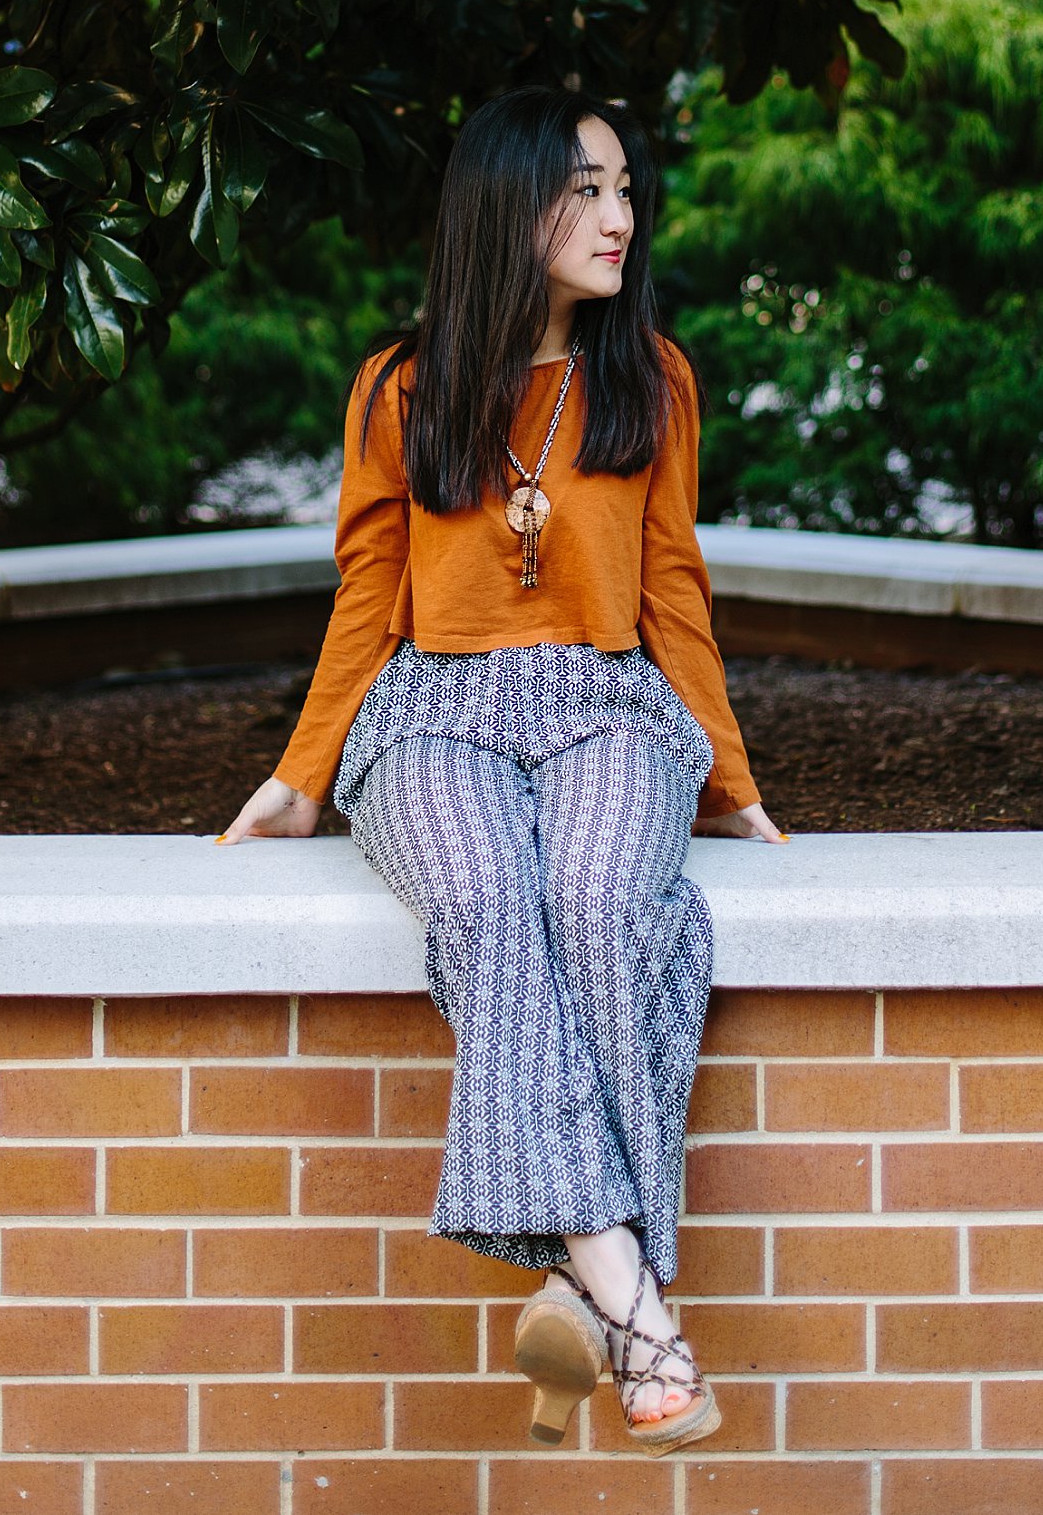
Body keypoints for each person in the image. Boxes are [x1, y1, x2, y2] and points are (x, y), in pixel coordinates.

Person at [220, 87, 780, 1457]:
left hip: (610, 703)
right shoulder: (402, 388)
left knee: (600, 898)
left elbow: (673, 589)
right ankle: (627, 1288)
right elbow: (370, 590)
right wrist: (304, 774)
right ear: (509, 201)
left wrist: (734, 777)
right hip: (432, 711)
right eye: (587, 188)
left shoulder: (654, 377)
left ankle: (579, 1289)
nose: (621, 216)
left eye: (627, 190)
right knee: (481, 904)